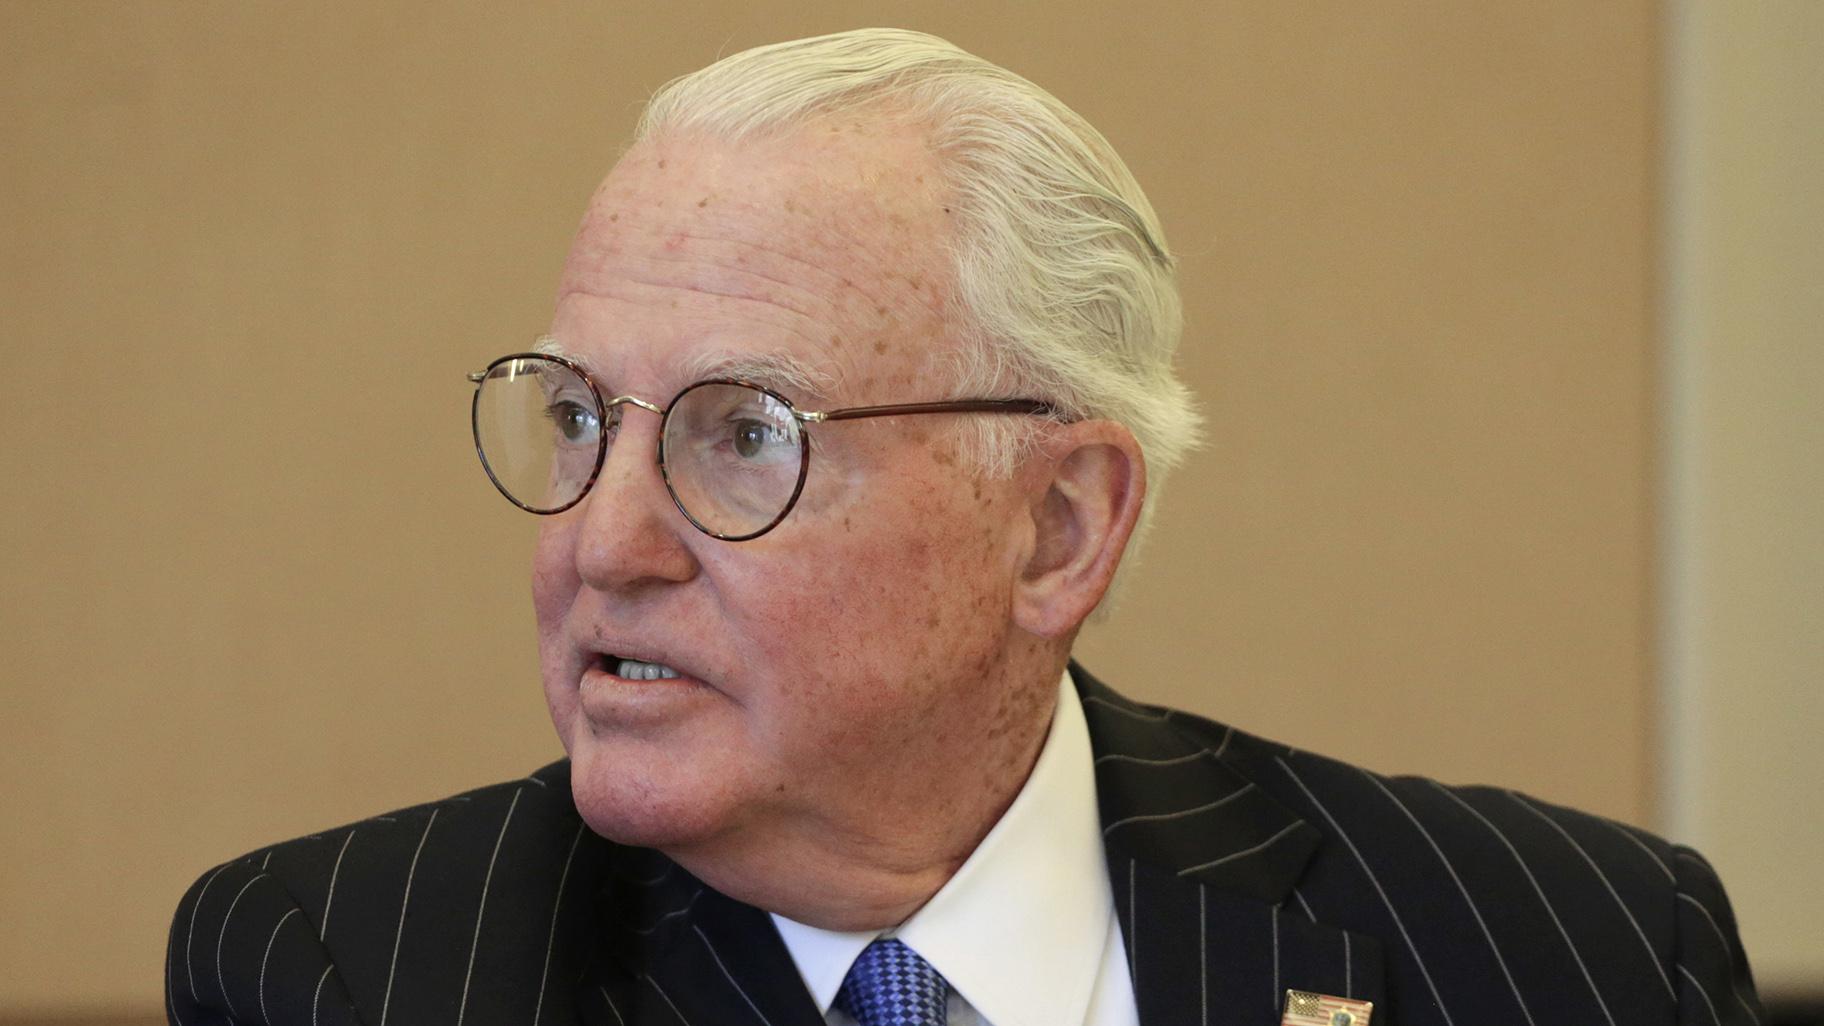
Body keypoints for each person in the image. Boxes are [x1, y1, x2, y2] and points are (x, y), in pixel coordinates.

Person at [167, 28, 1760, 1026]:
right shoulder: (353, 971)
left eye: (742, 436)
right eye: (580, 420)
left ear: (1061, 525)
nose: (604, 543)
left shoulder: (1574, 953)